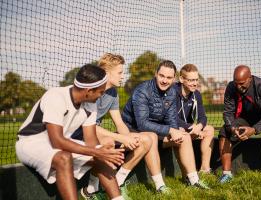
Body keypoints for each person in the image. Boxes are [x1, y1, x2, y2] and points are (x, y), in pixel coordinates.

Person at [15, 64, 125, 200]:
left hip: (60, 142)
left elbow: (91, 141)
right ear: (89, 90)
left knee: (101, 157)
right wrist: (96, 151)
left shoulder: (91, 103)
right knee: (64, 158)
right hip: (30, 142)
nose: (102, 95)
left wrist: (102, 152)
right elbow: (56, 141)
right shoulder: (55, 96)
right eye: (101, 92)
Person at [72, 53, 154, 199]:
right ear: (107, 73)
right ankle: (91, 190)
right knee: (108, 143)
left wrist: (128, 138)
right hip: (80, 133)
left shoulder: (113, 93)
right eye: (120, 73)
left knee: (146, 140)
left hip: (98, 131)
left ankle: (118, 182)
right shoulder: (92, 90)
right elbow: (89, 127)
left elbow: (119, 122)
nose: (123, 76)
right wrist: (120, 138)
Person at [122, 60, 210, 191]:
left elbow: (171, 118)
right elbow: (142, 124)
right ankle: (160, 186)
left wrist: (175, 131)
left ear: (174, 79)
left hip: (157, 133)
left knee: (184, 136)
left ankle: (194, 181)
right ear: (156, 74)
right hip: (133, 131)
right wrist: (170, 130)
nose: (164, 80)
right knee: (151, 136)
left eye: (169, 77)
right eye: (162, 76)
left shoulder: (172, 92)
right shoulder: (142, 91)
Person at [176, 64, 214, 173]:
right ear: (182, 79)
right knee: (181, 131)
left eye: (196, 80)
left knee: (209, 129)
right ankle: (187, 173)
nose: (195, 83)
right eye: (191, 80)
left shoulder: (197, 94)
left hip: (190, 129)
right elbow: (171, 118)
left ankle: (204, 169)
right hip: (175, 129)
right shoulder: (172, 92)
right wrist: (190, 126)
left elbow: (203, 117)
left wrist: (199, 126)